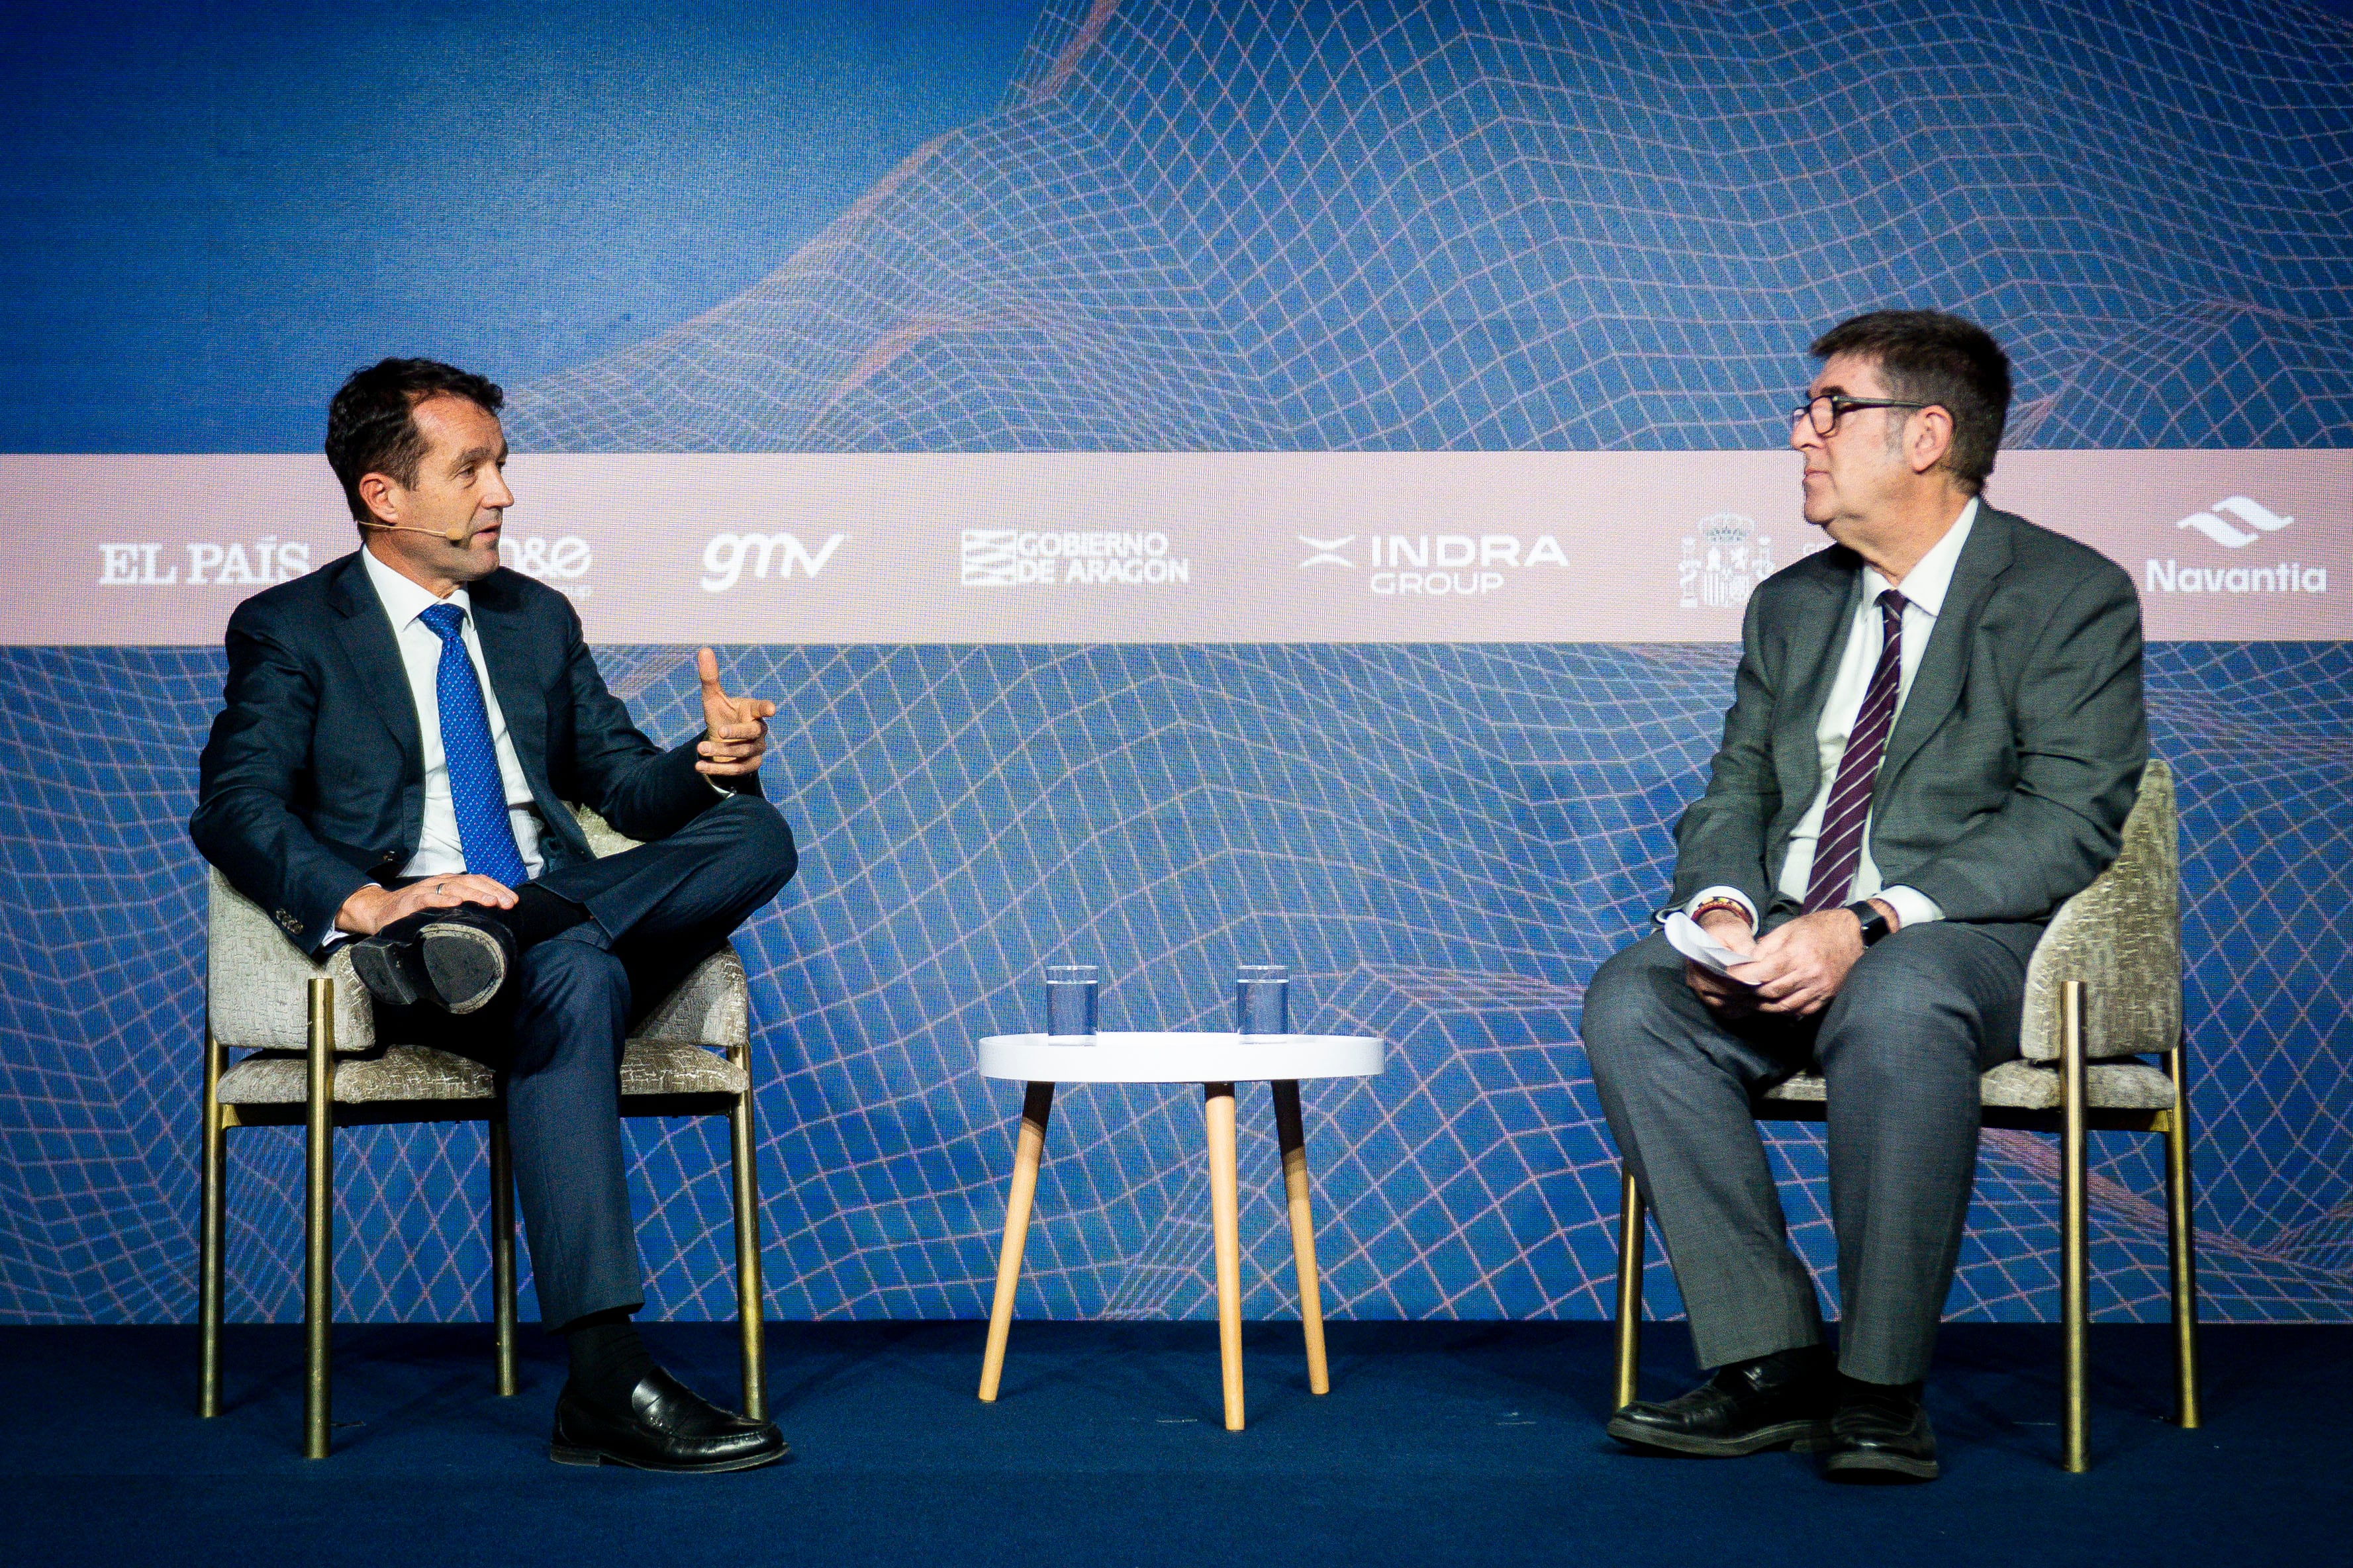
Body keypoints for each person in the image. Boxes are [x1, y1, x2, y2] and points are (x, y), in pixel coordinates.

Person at [191, 358, 799, 1473]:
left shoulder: (534, 617)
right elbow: (233, 805)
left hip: (526, 922)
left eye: (502, 467)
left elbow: (622, 788)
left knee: (750, 836)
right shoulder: (291, 626)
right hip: (414, 941)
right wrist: (372, 900)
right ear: (384, 493)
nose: (502, 494)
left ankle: (519, 930)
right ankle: (609, 1384)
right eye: (471, 469)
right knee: (578, 972)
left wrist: (709, 761)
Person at [1579, 310, 2146, 1483]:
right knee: (1634, 999)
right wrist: (1728, 904)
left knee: (1894, 1001)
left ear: (1927, 435)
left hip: (1965, 938)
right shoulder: (1790, 604)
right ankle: (1771, 1360)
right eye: (1807, 411)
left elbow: (2069, 817)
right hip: (1794, 923)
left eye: (1831, 409)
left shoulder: (2064, 592)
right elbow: (1735, 785)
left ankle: (1881, 1388)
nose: (1802, 434)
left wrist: (1870, 919)